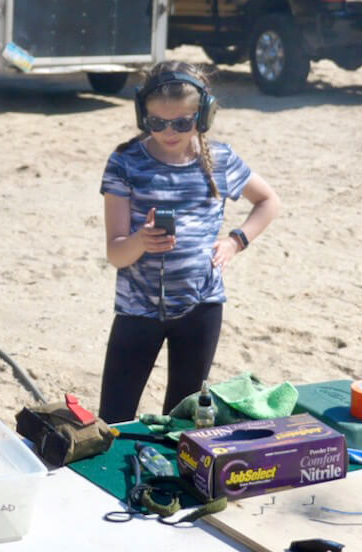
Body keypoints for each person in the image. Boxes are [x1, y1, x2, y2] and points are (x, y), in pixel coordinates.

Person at [97, 61, 280, 423]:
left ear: (205, 114)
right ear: (142, 115)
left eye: (182, 122)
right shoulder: (125, 162)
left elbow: (269, 202)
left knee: (182, 421)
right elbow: (117, 253)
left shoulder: (222, 161)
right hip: (138, 310)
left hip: (201, 309)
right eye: (157, 122)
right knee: (114, 417)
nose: (170, 131)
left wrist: (235, 241)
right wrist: (141, 241)